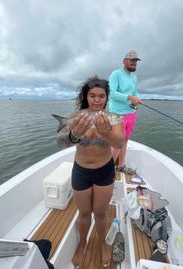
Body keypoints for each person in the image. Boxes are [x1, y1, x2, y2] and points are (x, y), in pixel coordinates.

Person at [56, 76, 125, 268]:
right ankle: (83, 243)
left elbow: (120, 142)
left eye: (101, 96)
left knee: (100, 213)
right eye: (92, 95)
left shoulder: (114, 117)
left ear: (107, 97)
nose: (97, 100)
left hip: (104, 171)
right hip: (81, 171)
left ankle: (103, 243)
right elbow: (60, 143)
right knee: (84, 213)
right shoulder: (77, 116)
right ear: (86, 96)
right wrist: (74, 135)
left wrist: (106, 132)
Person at [109, 50, 143, 173]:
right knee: (117, 143)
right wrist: (129, 98)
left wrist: (136, 100)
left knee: (125, 141)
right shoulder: (116, 74)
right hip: (116, 114)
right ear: (124, 61)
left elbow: (134, 93)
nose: (134, 63)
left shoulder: (134, 78)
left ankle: (121, 165)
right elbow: (111, 94)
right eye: (132, 60)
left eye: (136, 61)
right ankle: (107, 170)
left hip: (131, 113)